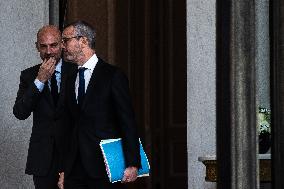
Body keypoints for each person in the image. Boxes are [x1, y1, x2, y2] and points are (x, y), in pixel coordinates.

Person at [60, 20, 141, 189]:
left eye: (65, 40)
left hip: (104, 167)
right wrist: (63, 168)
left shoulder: (112, 76)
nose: (62, 46)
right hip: (74, 168)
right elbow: (67, 125)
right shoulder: (69, 78)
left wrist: (133, 163)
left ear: (83, 41)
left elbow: (127, 121)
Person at [13, 25, 75, 189]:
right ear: (37, 47)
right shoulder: (28, 76)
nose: (48, 51)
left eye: (53, 45)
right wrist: (39, 81)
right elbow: (20, 112)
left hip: (72, 155)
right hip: (42, 159)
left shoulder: (77, 72)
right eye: (43, 46)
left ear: (62, 44)